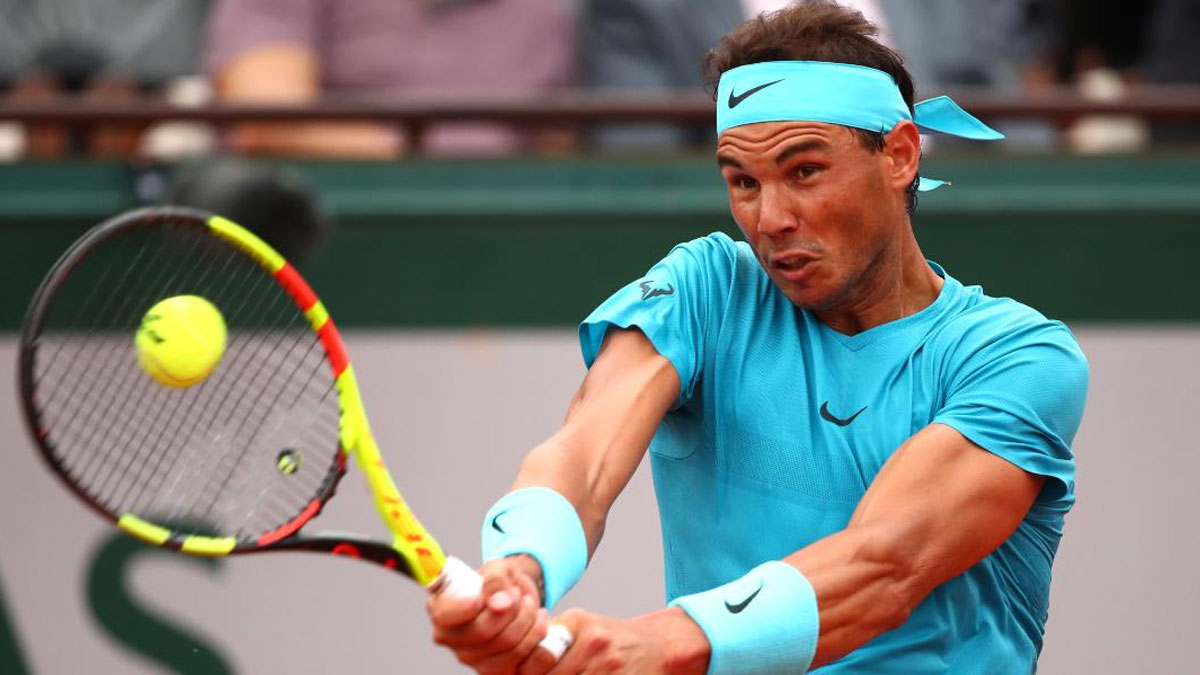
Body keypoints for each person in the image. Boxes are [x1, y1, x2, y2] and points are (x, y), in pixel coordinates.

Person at [427, 2, 1089, 673]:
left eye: (805, 171)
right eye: (743, 181)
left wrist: (663, 642)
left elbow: (883, 565)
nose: (770, 218)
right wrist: (520, 568)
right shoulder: (706, 287)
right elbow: (584, 454)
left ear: (900, 154)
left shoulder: (1019, 358)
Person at [204, 0, 575, 158]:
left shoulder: (546, 15)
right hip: (320, 232)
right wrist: (420, 157)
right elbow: (264, 120)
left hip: (498, 241)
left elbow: (557, 157)